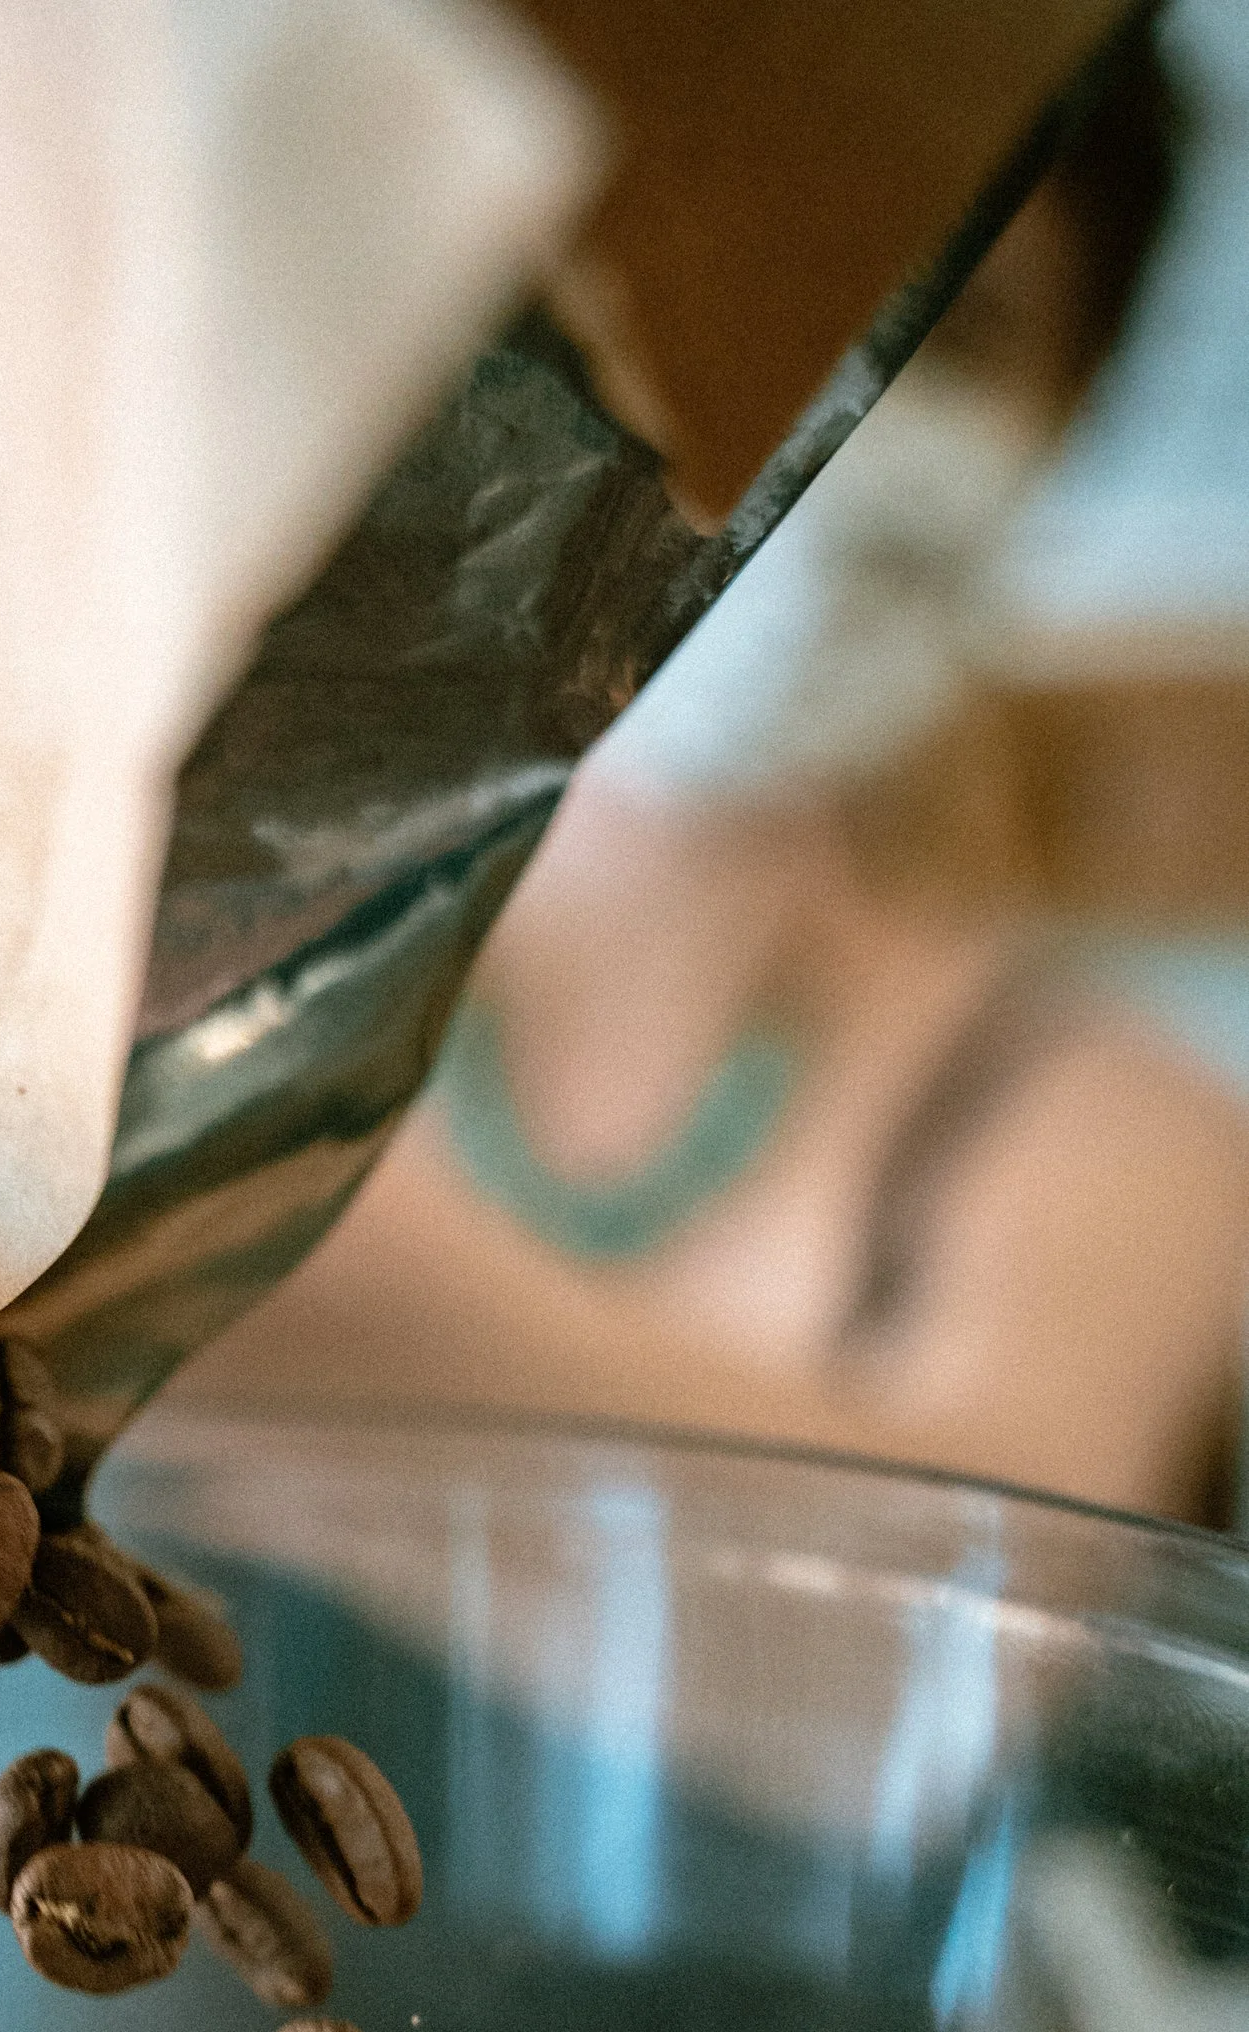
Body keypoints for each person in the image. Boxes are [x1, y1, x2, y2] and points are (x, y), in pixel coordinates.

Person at [173, 23, 1249, 1527]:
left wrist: (201, 1267)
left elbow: (996, 1611)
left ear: (1063, 427)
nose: (840, 399)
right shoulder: (184, 908)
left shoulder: (1125, 1141)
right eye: (783, 295)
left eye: (963, 333)